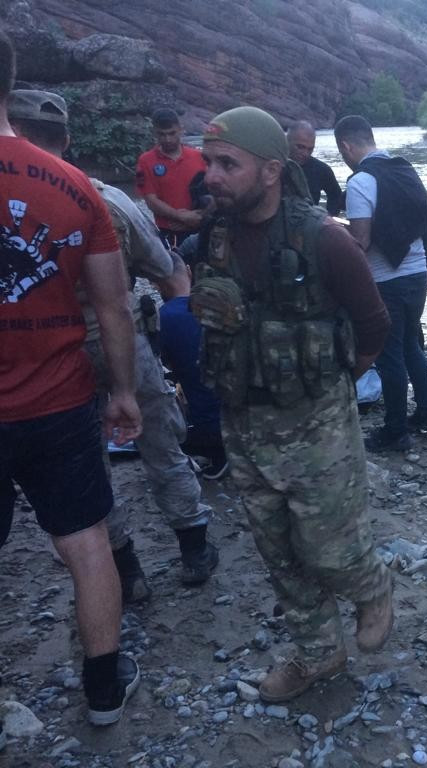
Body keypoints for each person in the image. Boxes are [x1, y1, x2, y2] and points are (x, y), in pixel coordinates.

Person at [196, 106, 394, 702]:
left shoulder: (325, 240)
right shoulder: (216, 236)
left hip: (316, 425)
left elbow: (374, 325)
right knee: (278, 552)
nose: (211, 175)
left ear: (272, 170)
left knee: (330, 546)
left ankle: (373, 586)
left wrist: (331, 383)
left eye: (227, 164)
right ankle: (318, 653)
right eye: (208, 162)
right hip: (242, 421)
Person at [7, 89, 219, 601]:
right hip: (121, 341)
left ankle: (127, 573)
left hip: (46, 358)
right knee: (161, 442)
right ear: (68, 139)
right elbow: (169, 274)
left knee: (87, 467)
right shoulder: (101, 197)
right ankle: (194, 548)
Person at [0, 30, 142, 725]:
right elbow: (113, 307)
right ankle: (104, 691)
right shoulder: (77, 186)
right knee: (86, 543)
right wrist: (122, 391)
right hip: (58, 399)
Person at [334, 114, 427, 452]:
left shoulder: (361, 181)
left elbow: (361, 241)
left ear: (346, 146)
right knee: (411, 344)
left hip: (387, 279)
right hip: (418, 272)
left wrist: (333, 231)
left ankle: (396, 431)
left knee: (389, 354)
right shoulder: (404, 169)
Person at [158, 249, 228, 480]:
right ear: (189, 272)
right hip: (243, 417)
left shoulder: (164, 317)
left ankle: (217, 454)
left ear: (156, 284)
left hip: (208, 429)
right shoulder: (219, 303)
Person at [136, 107, 207, 246]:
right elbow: (151, 200)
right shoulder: (145, 161)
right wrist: (181, 217)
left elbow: (215, 190)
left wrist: (201, 217)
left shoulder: (200, 157)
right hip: (169, 232)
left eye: (172, 133)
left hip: (201, 228)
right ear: (154, 132)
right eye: (161, 134)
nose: (167, 139)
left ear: (181, 129)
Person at [287, 120, 343, 216]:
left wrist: (328, 218)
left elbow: (336, 196)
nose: (305, 154)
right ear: (287, 141)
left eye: (310, 149)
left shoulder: (321, 170)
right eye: (300, 147)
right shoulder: (273, 165)